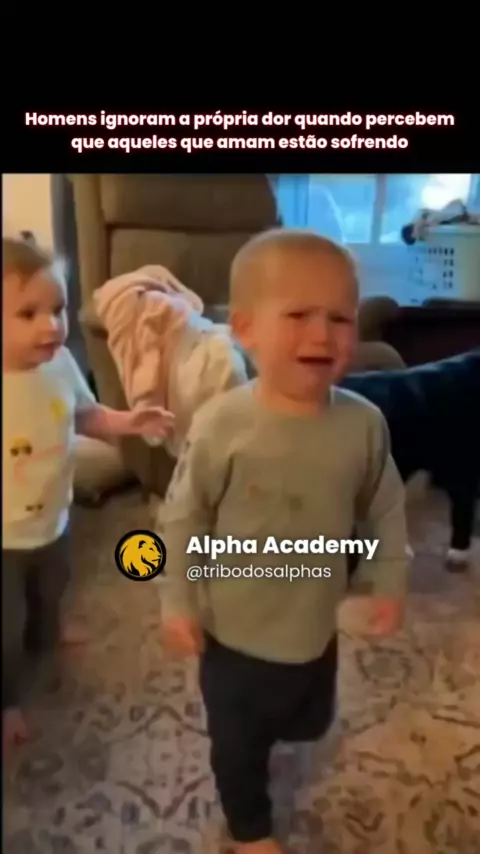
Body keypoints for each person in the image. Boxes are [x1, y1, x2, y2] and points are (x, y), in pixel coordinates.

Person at [159, 229, 409, 853]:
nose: (322, 335)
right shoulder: (222, 424)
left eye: (340, 319)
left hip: (315, 620)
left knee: (309, 717)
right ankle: (249, 828)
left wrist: (387, 579)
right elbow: (183, 516)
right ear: (245, 328)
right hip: (233, 630)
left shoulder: (364, 423)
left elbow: (384, 506)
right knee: (237, 743)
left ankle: (281, 730)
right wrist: (177, 598)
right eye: (298, 315)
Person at [2, 237, 175, 753]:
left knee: (53, 587)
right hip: (3, 537)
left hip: (54, 518)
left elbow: (87, 415)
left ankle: (49, 632)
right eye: (27, 313)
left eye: (57, 310)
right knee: (5, 626)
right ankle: (7, 700)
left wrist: (130, 421)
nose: (51, 326)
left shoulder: (61, 365)